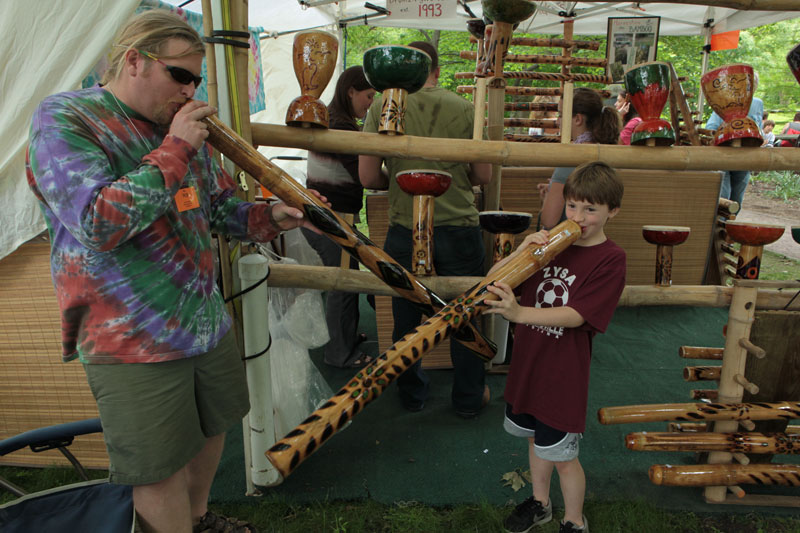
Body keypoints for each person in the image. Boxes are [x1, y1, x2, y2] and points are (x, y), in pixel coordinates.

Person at [26, 10, 326, 533]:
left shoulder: (175, 126)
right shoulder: (67, 119)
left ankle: (198, 518)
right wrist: (179, 147)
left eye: (197, 78)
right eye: (180, 75)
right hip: (129, 336)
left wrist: (267, 216)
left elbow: (215, 206)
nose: (190, 90)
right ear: (135, 60)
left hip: (202, 319)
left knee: (213, 427)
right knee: (158, 465)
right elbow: (99, 221)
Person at [485, 161, 627, 533]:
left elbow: (578, 315)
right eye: (572, 206)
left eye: (590, 209)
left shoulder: (612, 259)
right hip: (529, 366)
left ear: (612, 211)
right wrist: (520, 252)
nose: (578, 217)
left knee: (564, 458)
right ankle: (541, 503)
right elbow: (491, 285)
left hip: (562, 376)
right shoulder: (547, 245)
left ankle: (574, 520)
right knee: (536, 441)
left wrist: (519, 313)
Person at [359, 40, 492, 418]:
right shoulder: (466, 107)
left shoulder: (380, 106)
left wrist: (404, 179)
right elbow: (482, 174)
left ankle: (411, 395)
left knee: (405, 317)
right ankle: (468, 398)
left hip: (405, 226)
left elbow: (368, 176)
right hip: (459, 226)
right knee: (465, 313)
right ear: (435, 69)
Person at [301, 65, 376, 369]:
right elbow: (365, 175)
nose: (371, 103)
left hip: (330, 215)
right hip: (329, 217)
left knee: (348, 280)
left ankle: (346, 339)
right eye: (369, 96)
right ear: (351, 92)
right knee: (342, 285)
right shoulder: (341, 129)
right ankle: (340, 353)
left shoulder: (333, 120)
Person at [538, 88, 621, 230]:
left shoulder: (571, 158)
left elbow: (549, 221)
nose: (558, 121)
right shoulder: (608, 152)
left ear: (577, 119)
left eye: (561, 115)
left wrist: (547, 199)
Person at [704, 71, 764, 206]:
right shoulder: (726, 102)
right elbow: (711, 127)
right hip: (723, 154)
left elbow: (757, 127)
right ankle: (721, 222)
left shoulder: (757, 103)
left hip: (746, 157)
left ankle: (731, 223)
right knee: (723, 193)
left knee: (737, 196)